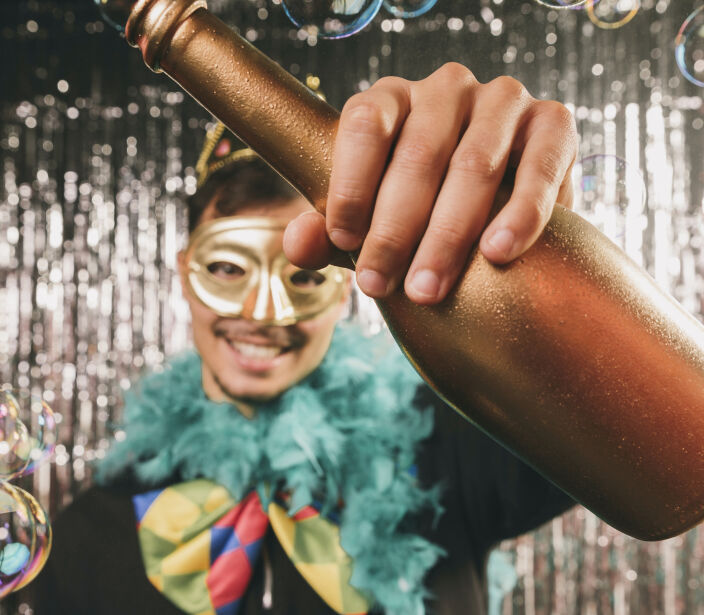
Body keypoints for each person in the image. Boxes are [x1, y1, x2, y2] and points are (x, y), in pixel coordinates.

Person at [33, 65, 577, 615]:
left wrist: (533, 253)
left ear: (344, 290)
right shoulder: (87, 541)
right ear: (184, 274)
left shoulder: (450, 454)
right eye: (227, 269)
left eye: (306, 276)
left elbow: (608, 425)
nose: (262, 315)